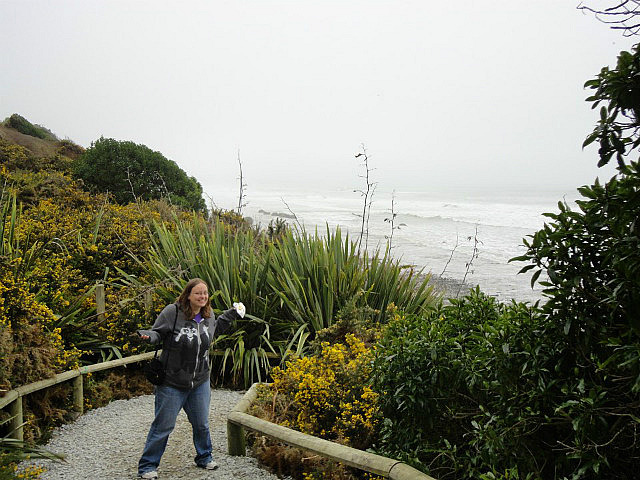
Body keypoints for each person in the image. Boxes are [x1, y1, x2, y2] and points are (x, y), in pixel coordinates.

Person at [136, 278, 246, 479]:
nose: (203, 296)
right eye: (198, 293)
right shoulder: (173, 312)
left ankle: (204, 457)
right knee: (163, 426)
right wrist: (148, 336)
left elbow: (215, 329)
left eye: (205, 293)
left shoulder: (207, 314)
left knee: (201, 423)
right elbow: (158, 333)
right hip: (172, 382)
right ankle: (147, 466)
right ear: (188, 295)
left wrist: (232, 313)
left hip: (199, 381)